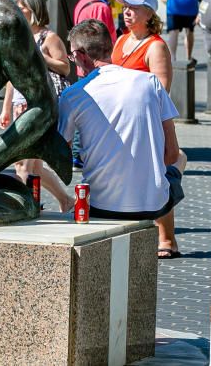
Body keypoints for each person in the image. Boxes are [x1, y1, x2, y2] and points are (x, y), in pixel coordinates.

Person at [60, 20, 185, 259]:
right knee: (181, 159)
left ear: (79, 55)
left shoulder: (73, 95)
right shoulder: (150, 83)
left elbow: (63, 159)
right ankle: (167, 238)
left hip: (99, 204)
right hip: (152, 205)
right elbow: (171, 154)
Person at [0, 0, 73, 212]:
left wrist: (42, 56)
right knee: (35, 164)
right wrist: (5, 108)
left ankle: (22, 206)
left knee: (22, 161)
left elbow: (66, 67)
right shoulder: (19, 36)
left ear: (34, 9)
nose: (18, 10)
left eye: (22, 7)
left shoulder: (49, 38)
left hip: (40, 104)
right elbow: (12, 77)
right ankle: (66, 201)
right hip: (21, 104)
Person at [111, 0, 172, 91]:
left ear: (149, 14)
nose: (126, 12)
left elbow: (161, 92)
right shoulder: (121, 39)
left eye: (133, 7)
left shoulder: (155, 47)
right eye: (125, 7)